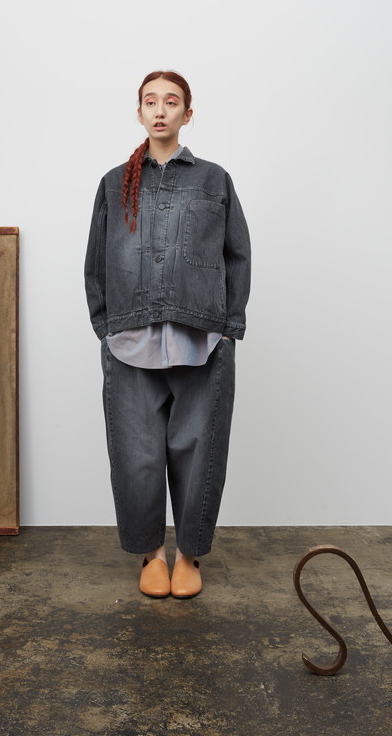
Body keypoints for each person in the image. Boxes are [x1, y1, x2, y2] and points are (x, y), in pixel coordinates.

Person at [85, 70, 251, 598]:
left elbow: (237, 254)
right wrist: (104, 325)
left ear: (187, 112)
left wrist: (229, 328)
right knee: (137, 454)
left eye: (171, 101)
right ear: (139, 113)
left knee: (199, 451)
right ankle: (151, 554)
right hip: (129, 338)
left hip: (202, 336)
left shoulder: (214, 180)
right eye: (150, 102)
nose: (160, 110)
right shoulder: (114, 183)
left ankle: (189, 555)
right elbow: (95, 259)